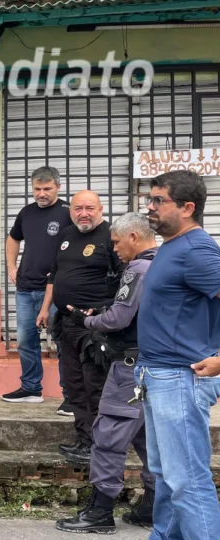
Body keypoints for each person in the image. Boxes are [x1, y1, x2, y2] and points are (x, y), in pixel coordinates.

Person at [54, 212, 157, 533]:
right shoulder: (166, 262)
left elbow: (119, 319)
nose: (113, 249)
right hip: (154, 366)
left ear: (134, 238)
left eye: (116, 242)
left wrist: (87, 321)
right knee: (146, 438)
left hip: (130, 367)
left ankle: (100, 512)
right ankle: (153, 505)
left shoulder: (138, 268)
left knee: (109, 436)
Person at [135, 170, 220, 540]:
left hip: (180, 379)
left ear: (187, 207)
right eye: (150, 199)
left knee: (188, 480)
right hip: (157, 375)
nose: (150, 207)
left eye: (158, 200)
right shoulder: (173, 246)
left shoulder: (197, 250)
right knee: (167, 476)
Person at [37, 190, 124, 464]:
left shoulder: (112, 236)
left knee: (94, 386)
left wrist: (107, 310)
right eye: (78, 208)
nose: (83, 213)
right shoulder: (66, 235)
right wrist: (44, 308)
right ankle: (83, 441)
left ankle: (99, 445)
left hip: (95, 329)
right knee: (74, 386)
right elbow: (54, 275)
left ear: (101, 209)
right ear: (71, 211)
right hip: (67, 324)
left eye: (89, 208)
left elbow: (125, 279)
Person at [3, 166, 74, 415]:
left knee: (62, 343)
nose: (41, 194)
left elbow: (78, 244)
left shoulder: (69, 213)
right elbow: (13, 239)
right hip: (25, 288)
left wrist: (65, 273)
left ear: (58, 187)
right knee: (25, 341)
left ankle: (71, 397)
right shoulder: (27, 212)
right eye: (37, 189)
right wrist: (12, 267)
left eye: (47, 189)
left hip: (56, 291)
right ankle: (31, 388)